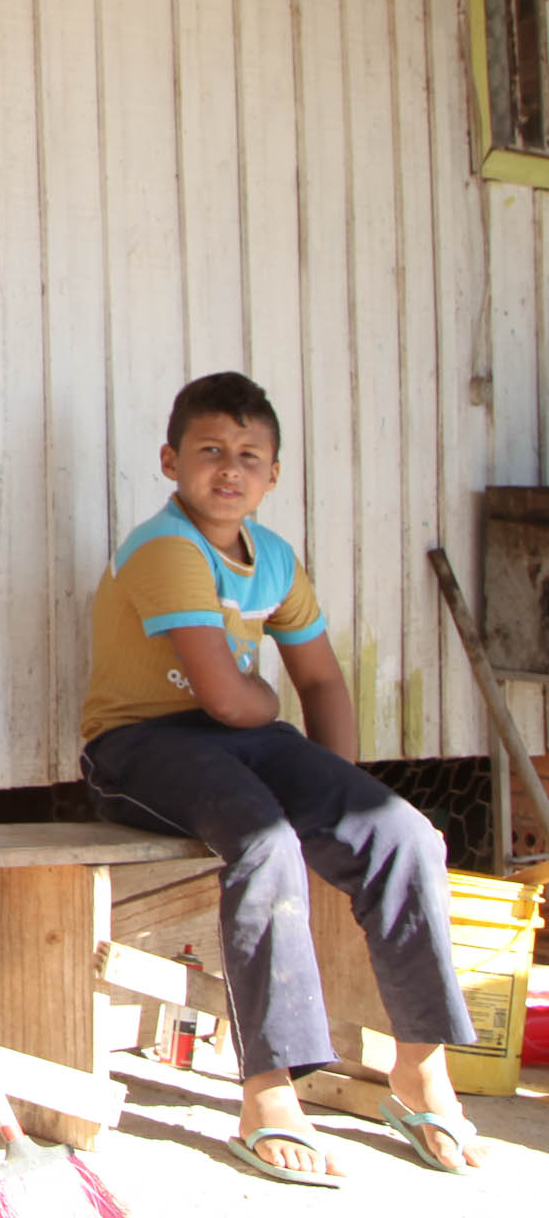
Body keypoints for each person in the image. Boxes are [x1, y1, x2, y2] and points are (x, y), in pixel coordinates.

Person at [80, 370, 486, 1183]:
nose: (228, 469)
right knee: (265, 844)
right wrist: (263, 703)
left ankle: (419, 1069)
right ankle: (268, 1094)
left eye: (248, 455)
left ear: (272, 475)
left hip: (247, 746)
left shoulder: (274, 560)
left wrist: (341, 805)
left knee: (402, 834)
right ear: (170, 461)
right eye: (209, 451)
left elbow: (324, 684)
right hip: (139, 747)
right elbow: (234, 701)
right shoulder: (165, 548)